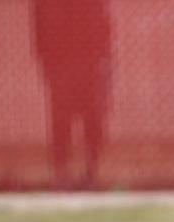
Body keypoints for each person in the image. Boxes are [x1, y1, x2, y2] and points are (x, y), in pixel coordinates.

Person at [32, 0, 112, 190]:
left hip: (89, 60)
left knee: (92, 118)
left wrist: (104, 60)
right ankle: (62, 174)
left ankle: (91, 172)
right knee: (61, 120)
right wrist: (46, 62)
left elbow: (105, 24)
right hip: (61, 63)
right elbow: (39, 29)